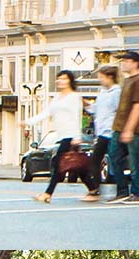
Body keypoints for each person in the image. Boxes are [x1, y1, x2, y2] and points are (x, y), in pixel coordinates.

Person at [24, 70, 88, 203]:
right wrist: (28, 122)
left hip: (71, 137)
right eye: (59, 79)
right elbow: (46, 113)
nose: (60, 81)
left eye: (64, 79)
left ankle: (48, 193)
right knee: (76, 166)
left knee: (58, 165)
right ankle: (93, 189)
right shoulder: (57, 98)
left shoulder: (74, 97)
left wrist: (77, 136)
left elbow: (77, 116)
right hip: (62, 135)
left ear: (70, 80)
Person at [107, 51, 139, 204]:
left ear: (135, 63)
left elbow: (138, 107)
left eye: (126, 61)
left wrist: (129, 129)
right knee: (114, 156)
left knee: (135, 161)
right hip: (119, 127)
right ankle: (122, 190)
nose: (123, 63)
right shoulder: (127, 81)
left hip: (136, 130)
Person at [82, 65, 121, 202]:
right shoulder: (102, 92)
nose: (100, 80)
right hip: (102, 132)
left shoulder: (117, 92)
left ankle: (122, 190)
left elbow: (119, 111)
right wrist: (86, 104)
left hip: (112, 131)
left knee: (114, 160)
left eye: (101, 77)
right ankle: (96, 189)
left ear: (110, 77)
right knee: (95, 160)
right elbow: (96, 110)